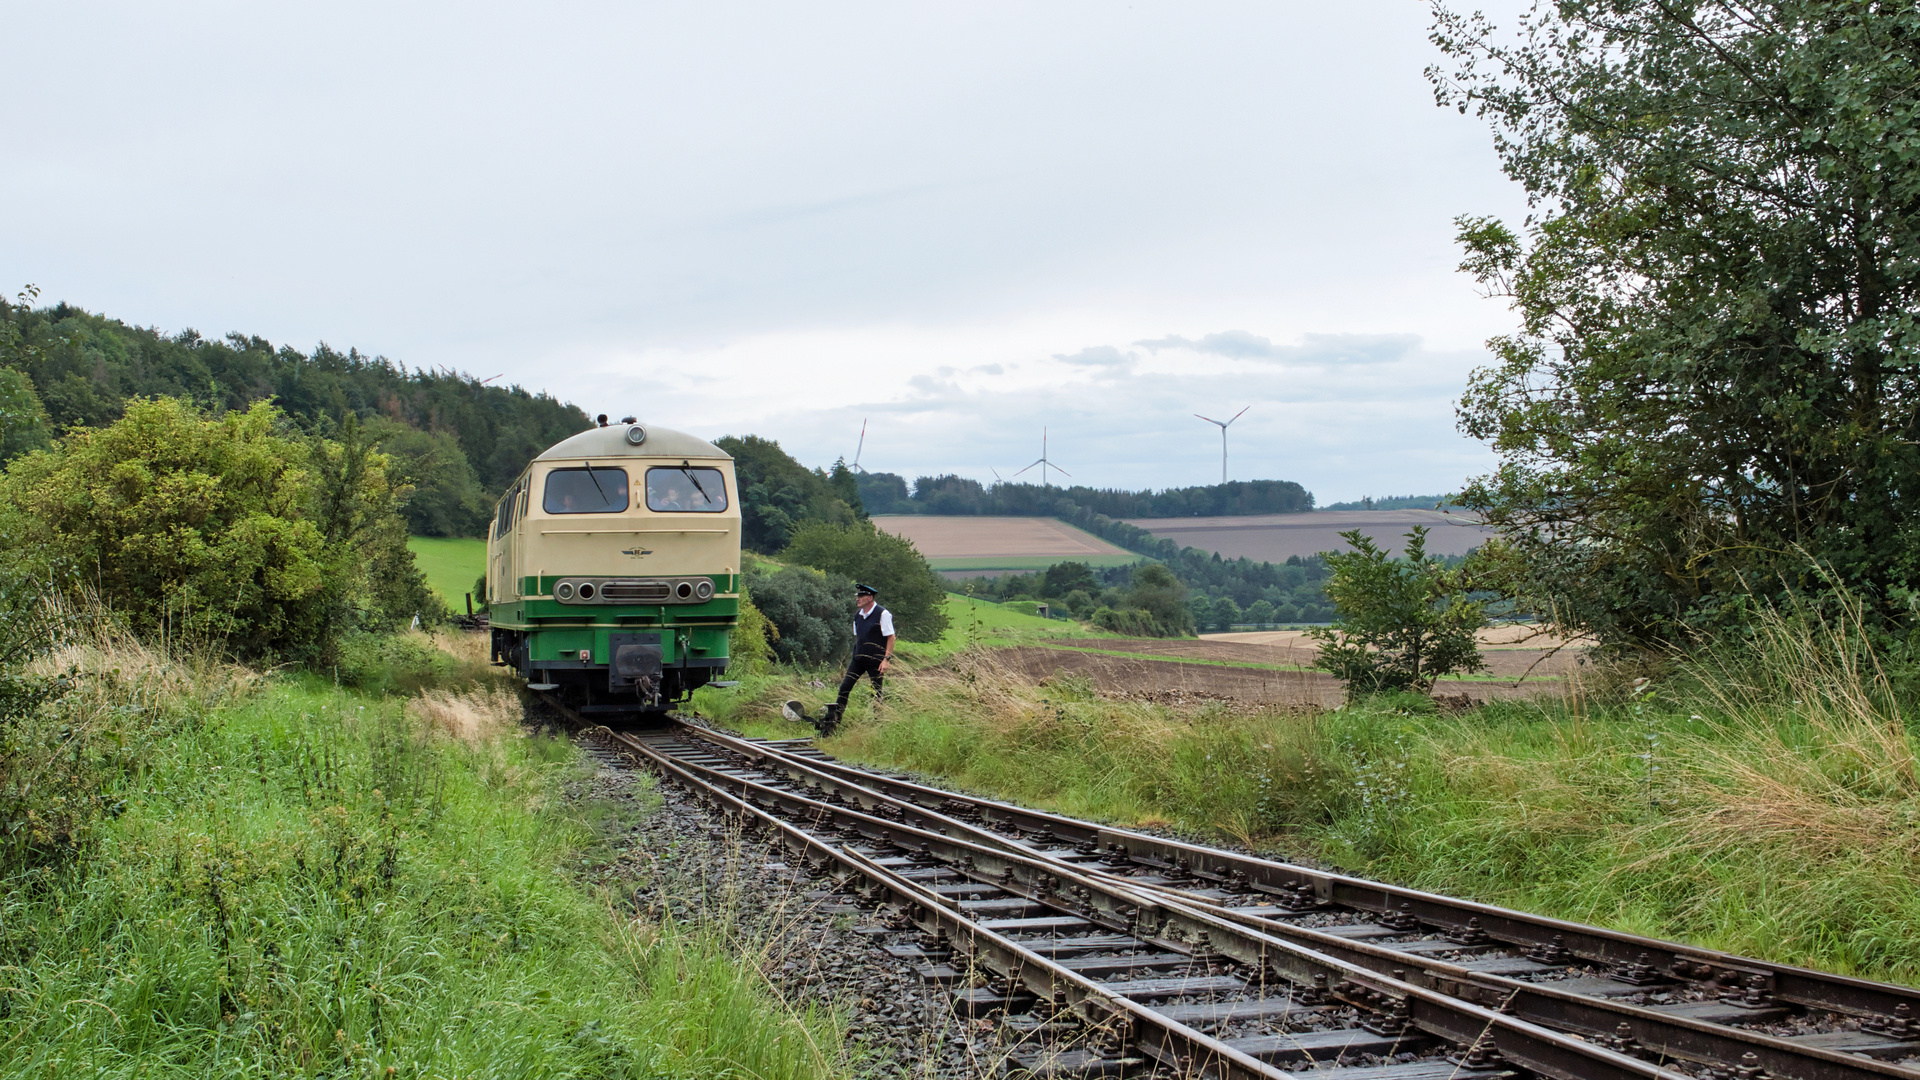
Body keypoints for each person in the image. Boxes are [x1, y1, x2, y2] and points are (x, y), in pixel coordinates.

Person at [819, 583, 893, 735]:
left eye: (861, 596)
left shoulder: (883, 614)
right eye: (857, 596)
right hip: (858, 659)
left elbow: (891, 637)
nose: (857, 599)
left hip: (876, 660)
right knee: (844, 688)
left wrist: (886, 659)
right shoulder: (857, 615)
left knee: (876, 692)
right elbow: (858, 637)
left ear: (870, 597)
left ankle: (878, 725)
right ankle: (834, 724)